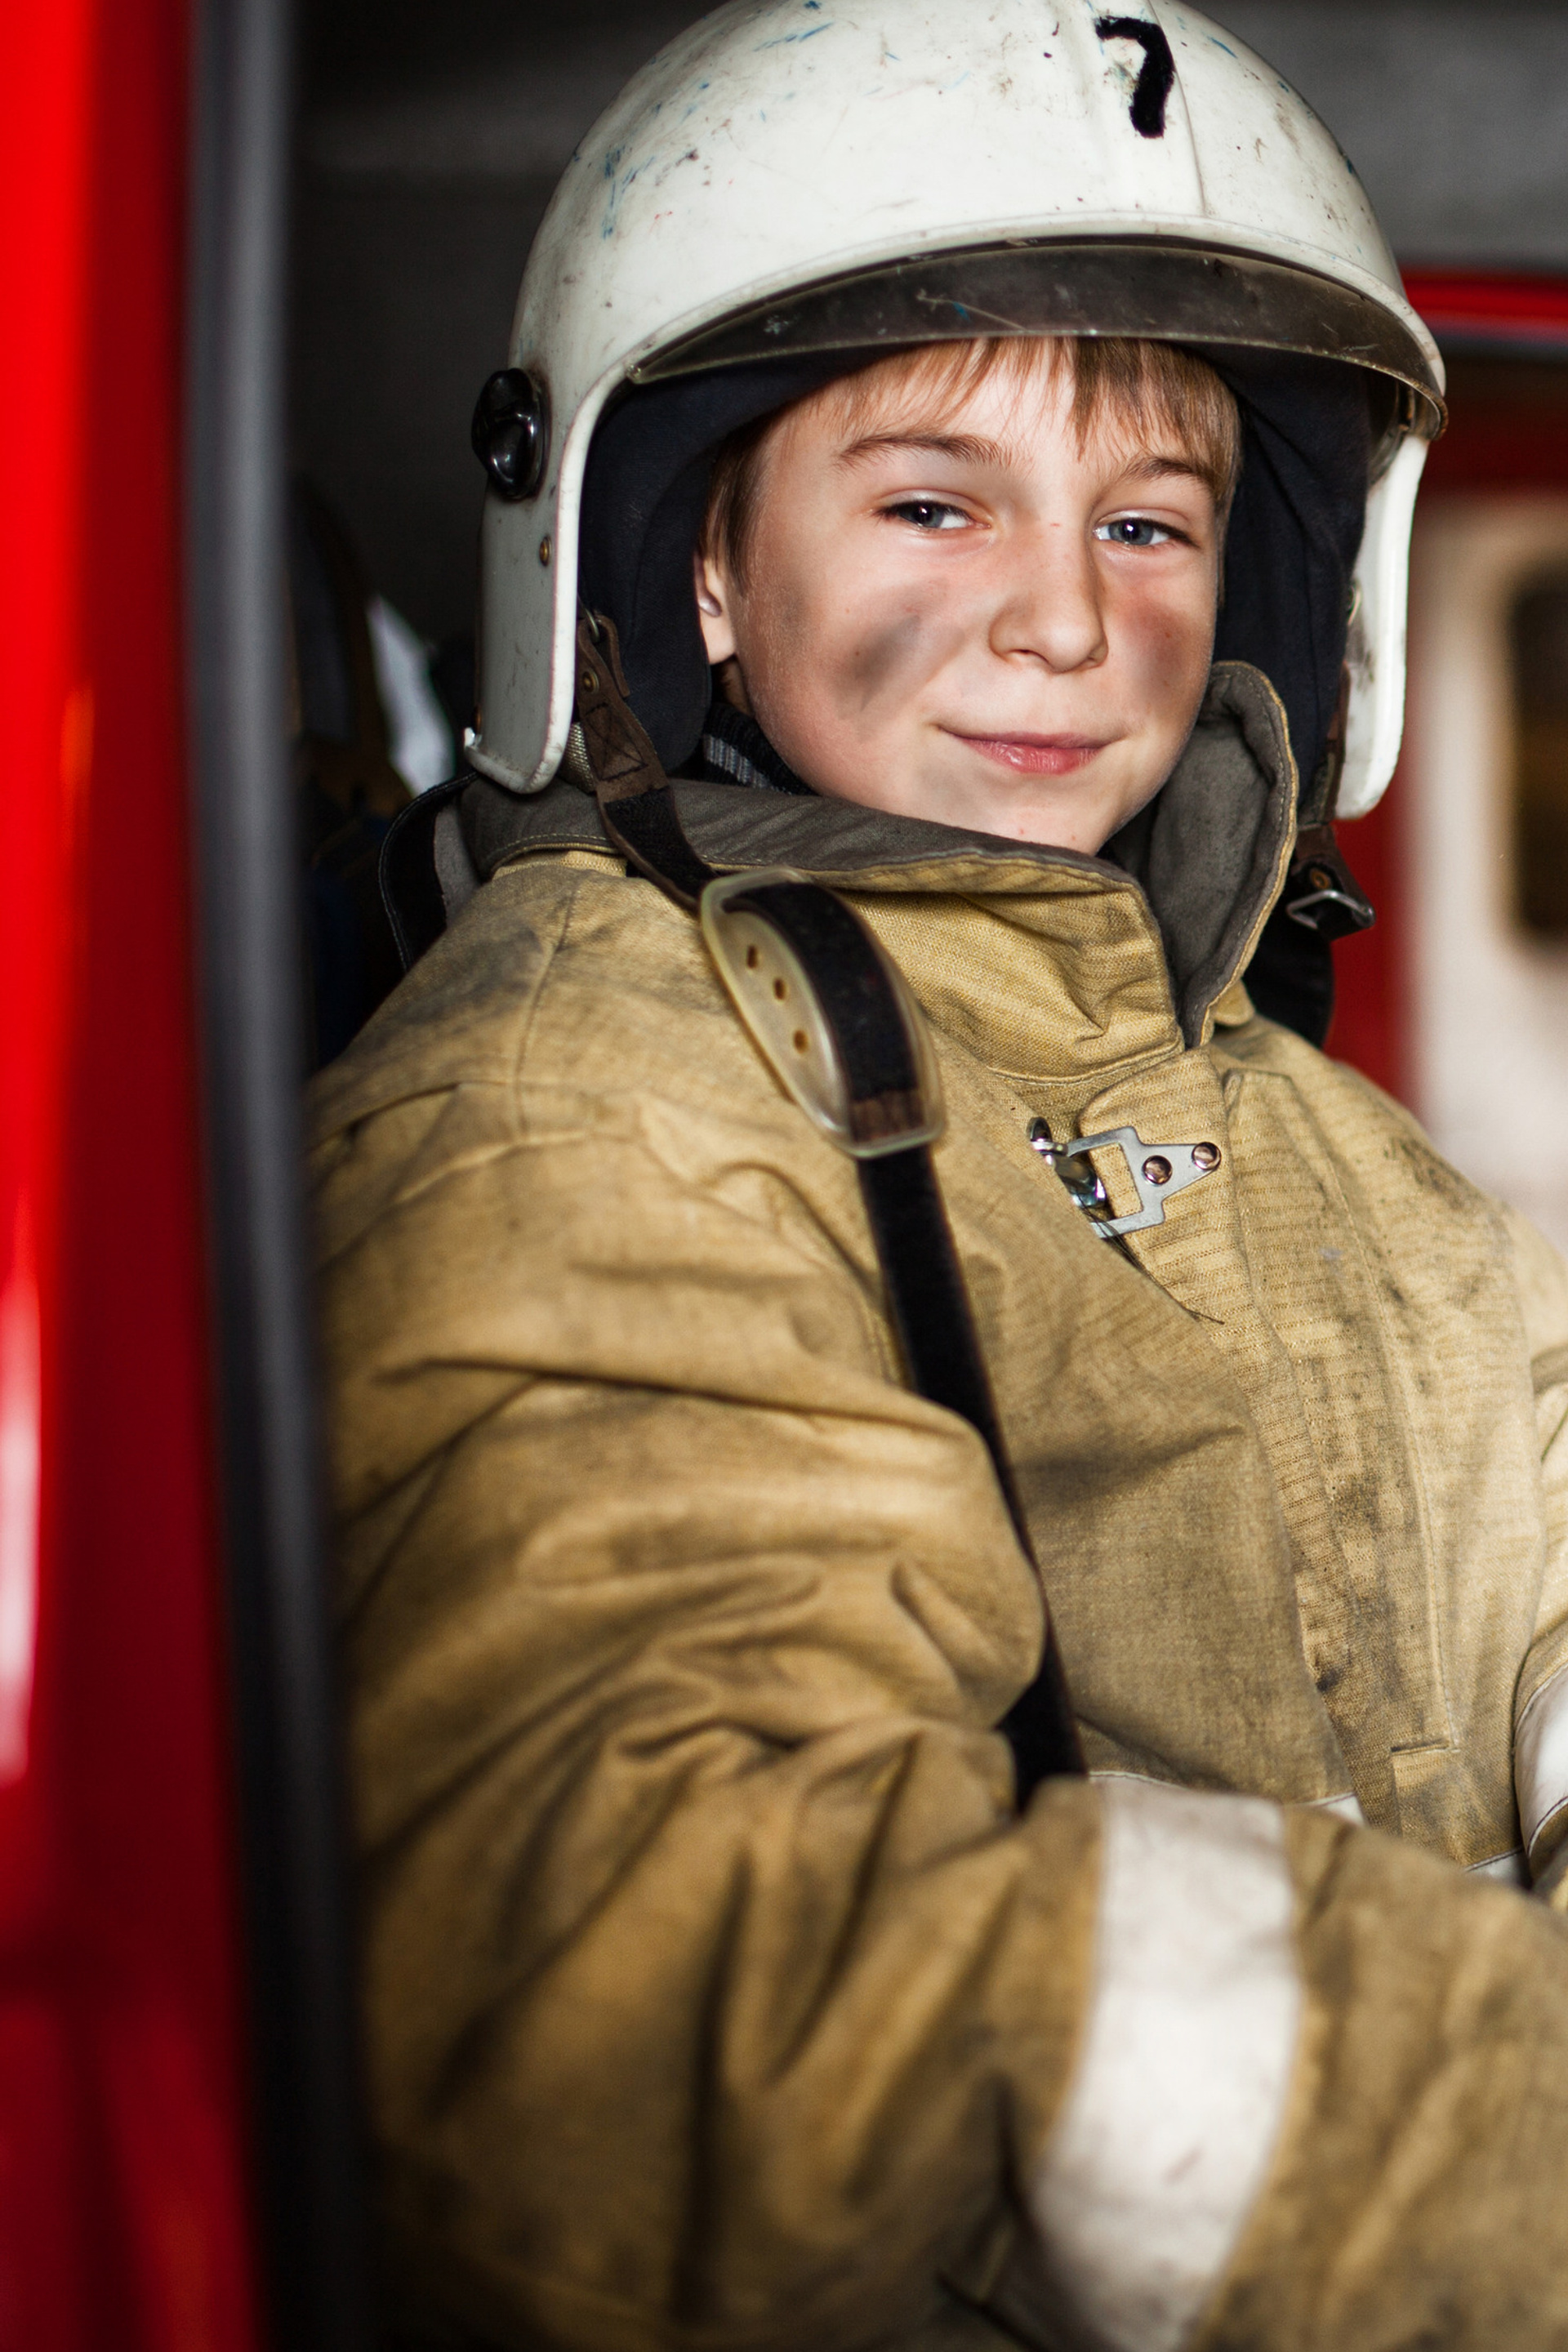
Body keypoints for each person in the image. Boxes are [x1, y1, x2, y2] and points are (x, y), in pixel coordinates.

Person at [310, 5, 1568, 2345]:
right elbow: (681, 1977)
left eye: (1148, 520)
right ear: (699, 568)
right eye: (930, 499)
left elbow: (1534, 1509)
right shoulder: (583, 1099)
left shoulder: (1281, 1119)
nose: (1072, 618)